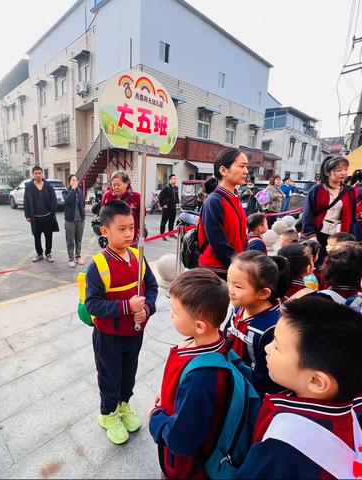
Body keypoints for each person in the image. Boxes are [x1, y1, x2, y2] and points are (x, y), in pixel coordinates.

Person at [235, 297, 362, 480]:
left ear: (317, 381)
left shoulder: (283, 447)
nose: (267, 349)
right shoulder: (352, 413)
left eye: (277, 346)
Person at [84, 200, 158, 445]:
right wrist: (127, 307)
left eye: (132, 227)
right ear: (105, 231)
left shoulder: (138, 256)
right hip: (109, 337)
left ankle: (124, 405)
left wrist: (146, 308)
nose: (129, 234)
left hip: (134, 333)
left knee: (129, 375)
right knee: (110, 377)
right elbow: (92, 305)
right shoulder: (99, 265)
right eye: (122, 229)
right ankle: (108, 414)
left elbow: (153, 287)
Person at [148, 268, 232, 479]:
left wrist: (155, 419)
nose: (171, 314)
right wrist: (166, 393)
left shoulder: (202, 376)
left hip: (186, 469)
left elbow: (181, 440)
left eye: (175, 312)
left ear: (200, 326)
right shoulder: (212, 342)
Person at [226, 250, 291, 394]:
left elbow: (266, 378)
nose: (230, 289)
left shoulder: (273, 327)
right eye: (228, 280)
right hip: (233, 377)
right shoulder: (239, 308)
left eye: (238, 286)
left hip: (251, 391)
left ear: (263, 293)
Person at [198, 148, 248, 280]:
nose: (246, 171)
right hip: (217, 272)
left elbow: (241, 236)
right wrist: (240, 265)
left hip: (235, 267)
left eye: (246, 166)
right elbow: (218, 242)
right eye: (242, 166)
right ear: (223, 170)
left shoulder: (235, 197)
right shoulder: (214, 201)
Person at [302, 155, 357, 265]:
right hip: (318, 234)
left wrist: (352, 238)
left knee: (336, 265)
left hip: (340, 235)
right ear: (328, 173)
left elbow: (352, 217)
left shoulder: (349, 192)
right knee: (316, 263)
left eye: (346, 169)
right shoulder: (317, 189)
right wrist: (311, 235)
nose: (344, 173)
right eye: (338, 170)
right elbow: (307, 214)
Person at [24, 166, 59, 263]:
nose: (38, 175)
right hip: (35, 218)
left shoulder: (48, 185)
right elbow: (26, 201)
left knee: (49, 236)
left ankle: (48, 253)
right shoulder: (29, 186)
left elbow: (54, 199)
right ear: (33, 174)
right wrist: (27, 215)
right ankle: (39, 254)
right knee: (36, 236)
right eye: (36, 173)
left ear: (42, 173)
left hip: (47, 216)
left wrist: (53, 212)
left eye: (39, 173)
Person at [101, 170, 141, 241]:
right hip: (112, 238)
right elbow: (103, 215)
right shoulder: (107, 196)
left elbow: (142, 215)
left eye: (118, 185)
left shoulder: (136, 197)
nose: (116, 187)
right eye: (114, 185)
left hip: (129, 238)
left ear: (126, 184)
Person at [63, 174, 85, 268]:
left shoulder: (80, 192)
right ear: (69, 182)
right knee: (70, 240)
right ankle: (71, 258)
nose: (75, 182)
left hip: (80, 219)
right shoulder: (65, 191)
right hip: (70, 220)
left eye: (76, 180)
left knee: (78, 239)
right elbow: (67, 201)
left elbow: (83, 203)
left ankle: (78, 256)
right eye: (73, 180)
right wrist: (72, 189)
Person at [158, 174, 179, 241]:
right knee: (164, 222)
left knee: (171, 222)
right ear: (170, 179)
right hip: (167, 208)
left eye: (175, 179)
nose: (175, 180)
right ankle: (162, 235)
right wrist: (163, 204)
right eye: (173, 178)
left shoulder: (176, 188)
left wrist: (177, 202)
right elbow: (160, 196)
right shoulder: (166, 187)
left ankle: (171, 234)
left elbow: (176, 196)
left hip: (173, 208)